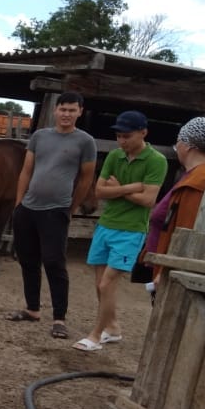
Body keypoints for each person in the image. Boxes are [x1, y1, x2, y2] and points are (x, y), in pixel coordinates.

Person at [73, 110, 168, 352]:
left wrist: (120, 189)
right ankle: (112, 327)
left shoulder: (156, 160)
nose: (122, 141)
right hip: (106, 224)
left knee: (107, 284)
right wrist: (132, 187)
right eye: (119, 136)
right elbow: (99, 191)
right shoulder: (115, 155)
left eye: (127, 136)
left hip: (131, 230)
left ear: (143, 133)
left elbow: (149, 200)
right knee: (99, 284)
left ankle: (95, 336)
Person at [6, 91, 97, 340]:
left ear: (80, 111)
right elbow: (27, 170)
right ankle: (32, 308)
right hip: (29, 207)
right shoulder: (40, 136)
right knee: (28, 260)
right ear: (55, 110)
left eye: (72, 109)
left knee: (54, 262)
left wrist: (71, 207)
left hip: (56, 209)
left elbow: (86, 178)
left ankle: (59, 318)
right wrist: (18, 203)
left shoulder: (85, 141)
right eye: (63, 109)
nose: (66, 114)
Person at [141, 116, 205, 288]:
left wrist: (169, 271)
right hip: (167, 266)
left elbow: (188, 230)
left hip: (175, 274)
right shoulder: (192, 175)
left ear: (187, 146)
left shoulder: (198, 180)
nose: (177, 146)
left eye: (178, 141)